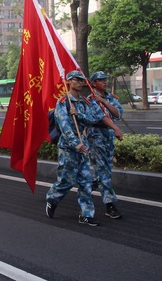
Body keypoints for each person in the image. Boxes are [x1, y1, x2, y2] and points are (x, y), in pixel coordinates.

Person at [45, 71, 120, 226]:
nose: (80, 83)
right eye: (76, 80)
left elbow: (92, 119)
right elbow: (64, 125)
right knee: (66, 180)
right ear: (69, 82)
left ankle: (86, 214)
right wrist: (75, 143)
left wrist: (78, 114)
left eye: (81, 81)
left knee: (85, 180)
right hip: (68, 145)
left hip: (83, 143)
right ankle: (52, 198)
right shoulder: (63, 102)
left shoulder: (84, 102)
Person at [87, 71, 124, 219]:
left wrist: (104, 101)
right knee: (103, 171)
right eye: (101, 80)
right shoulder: (90, 99)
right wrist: (116, 128)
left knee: (104, 171)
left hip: (108, 137)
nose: (104, 82)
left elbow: (117, 114)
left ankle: (85, 189)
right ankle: (110, 204)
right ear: (93, 83)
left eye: (105, 80)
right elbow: (100, 117)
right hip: (96, 136)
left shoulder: (110, 98)